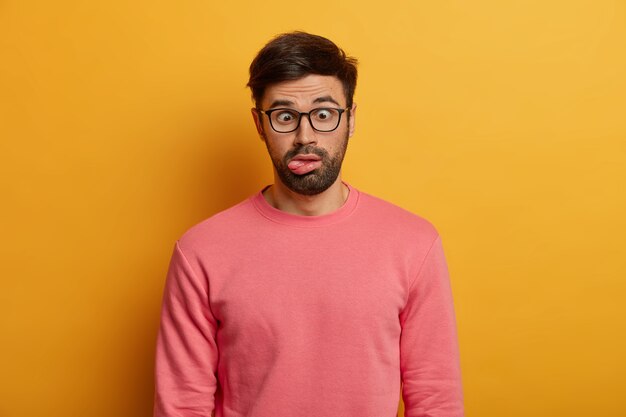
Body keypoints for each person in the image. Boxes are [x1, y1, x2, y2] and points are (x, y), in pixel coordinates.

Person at [153, 31, 464, 417]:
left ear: (350, 119)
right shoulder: (200, 251)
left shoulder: (415, 243)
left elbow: (435, 398)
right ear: (259, 124)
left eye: (323, 114)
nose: (305, 137)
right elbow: (183, 403)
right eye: (285, 116)